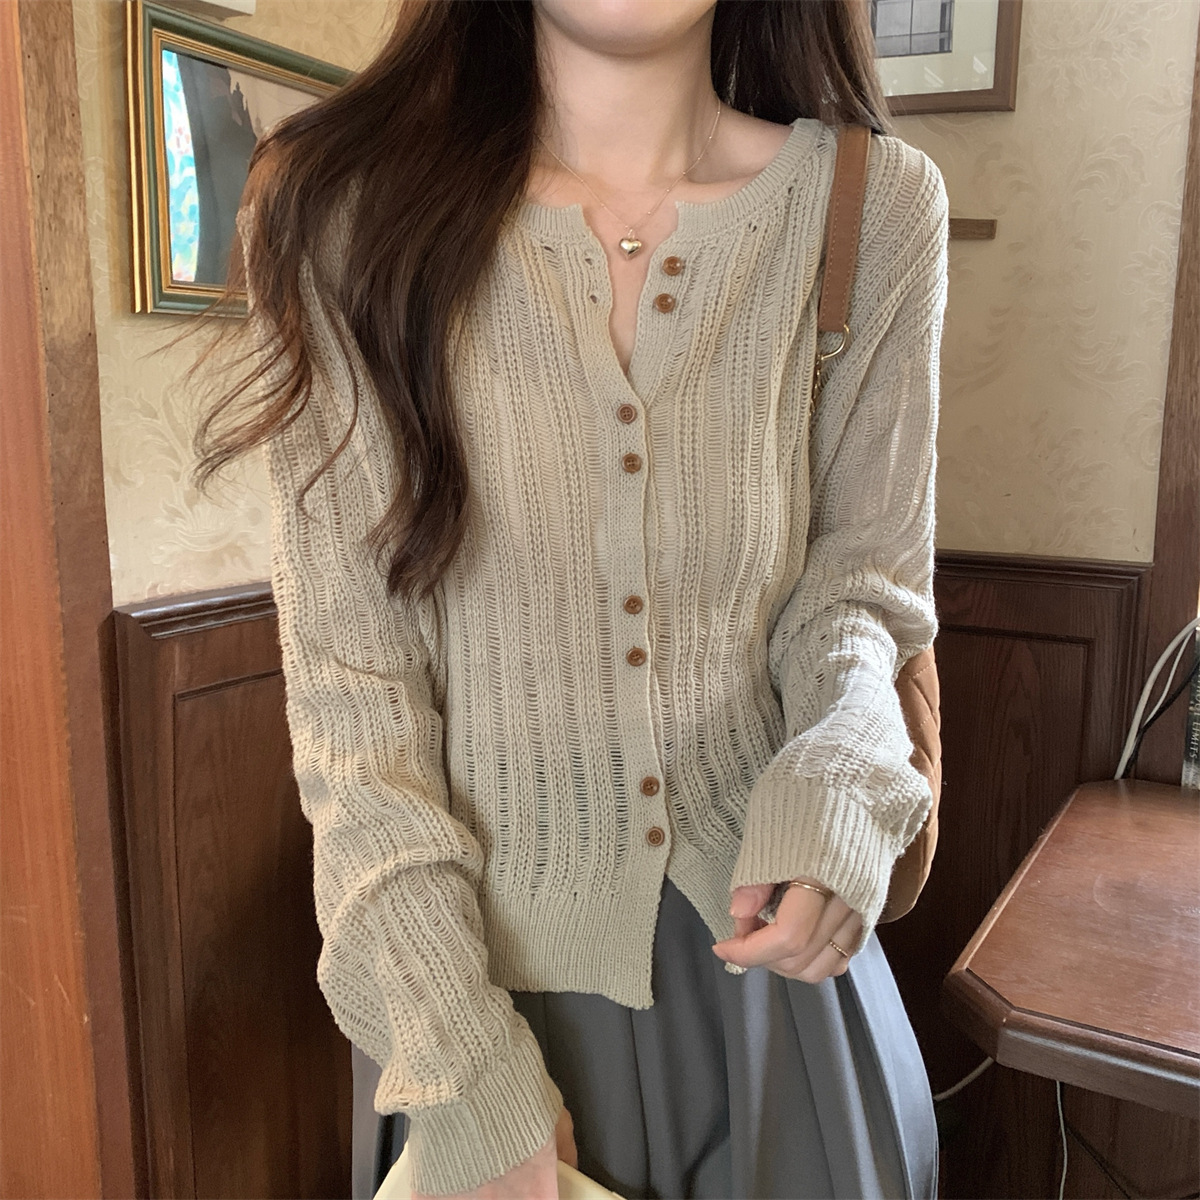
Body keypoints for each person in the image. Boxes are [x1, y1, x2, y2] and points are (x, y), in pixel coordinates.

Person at [192, 1, 949, 1196]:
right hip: (475, 1017)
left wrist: (843, 777)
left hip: (782, 988)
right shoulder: (341, 215)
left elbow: (861, 595)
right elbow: (353, 701)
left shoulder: (873, 208)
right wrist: (465, 1077)